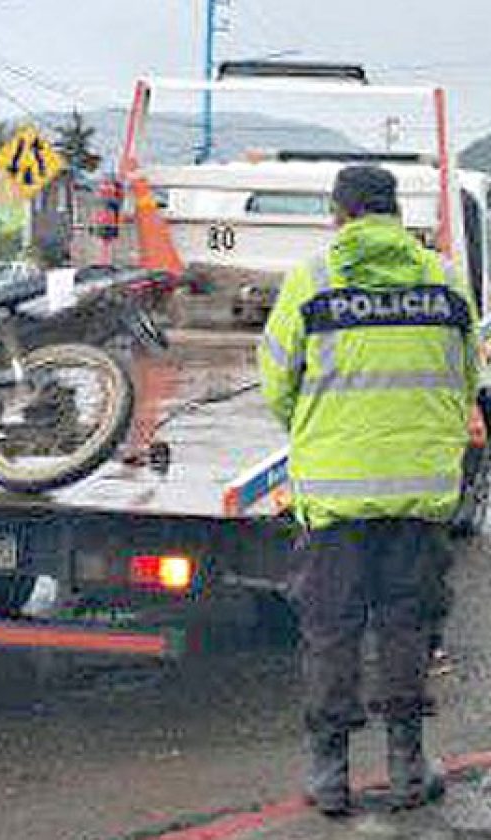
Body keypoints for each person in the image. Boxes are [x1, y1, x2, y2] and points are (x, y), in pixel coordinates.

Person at [258, 164, 478, 816]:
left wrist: (319, 428)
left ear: (340, 214)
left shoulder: (312, 280)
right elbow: (468, 378)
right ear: (392, 213)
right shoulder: (445, 281)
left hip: (335, 498)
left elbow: (276, 382)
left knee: (332, 631)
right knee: (408, 627)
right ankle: (409, 769)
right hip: (420, 498)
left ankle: (330, 775)